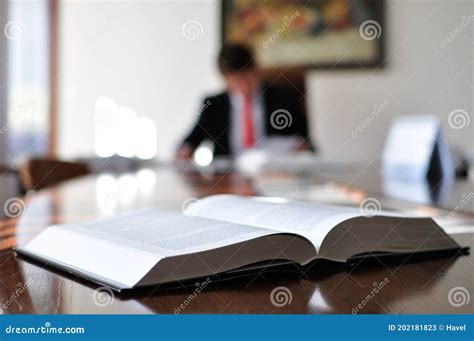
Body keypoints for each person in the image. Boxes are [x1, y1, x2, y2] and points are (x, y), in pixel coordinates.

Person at [176, 43, 313, 160]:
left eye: (247, 76)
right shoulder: (213, 105)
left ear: (256, 69)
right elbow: (191, 141)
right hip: (226, 179)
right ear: (225, 79)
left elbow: (308, 144)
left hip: (274, 176)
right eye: (236, 79)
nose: (244, 85)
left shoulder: (284, 98)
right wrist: (185, 150)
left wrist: (300, 149)